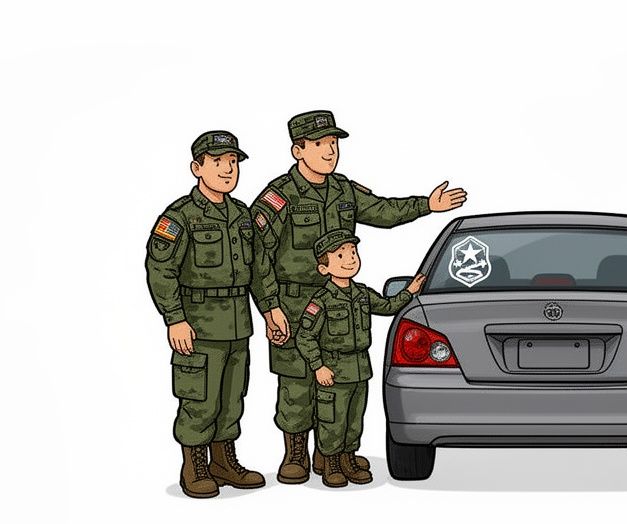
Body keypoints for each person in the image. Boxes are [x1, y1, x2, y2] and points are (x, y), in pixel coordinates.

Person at [249, 110, 466, 484]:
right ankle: (296, 452)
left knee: (345, 383)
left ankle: (334, 454)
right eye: (320, 144)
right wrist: (270, 308)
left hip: (341, 302)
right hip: (294, 302)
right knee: (297, 382)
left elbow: (382, 210)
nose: (330, 151)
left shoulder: (344, 190)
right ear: (298, 150)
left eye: (333, 143)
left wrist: (426, 205)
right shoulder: (279, 196)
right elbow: (255, 254)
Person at [146, 130, 268, 498]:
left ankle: (224, 461)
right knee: (199, 399)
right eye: (218, 162)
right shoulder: (179, 217)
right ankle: (194, 466)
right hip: (197, 325)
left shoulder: (242, 215)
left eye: (233, 162)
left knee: (232, 398)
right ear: (197, 168)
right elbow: (160, 269)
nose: (228, 170)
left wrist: (271, 309)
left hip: (237, 323)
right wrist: (174, 318)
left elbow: (259, 269)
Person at [295, 230, 425, 487]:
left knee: (354, 419)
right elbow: (304, 337)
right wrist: (318, 366)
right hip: (333, 370)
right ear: (323, 268)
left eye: (353, 253)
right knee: (333, 419)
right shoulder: (321, 301)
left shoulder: (362, 294)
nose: (350, 259)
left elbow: (387, 307)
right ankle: (331, 463)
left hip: (359, 369)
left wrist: (409, 291)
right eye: (341, 255)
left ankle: (348, 458)